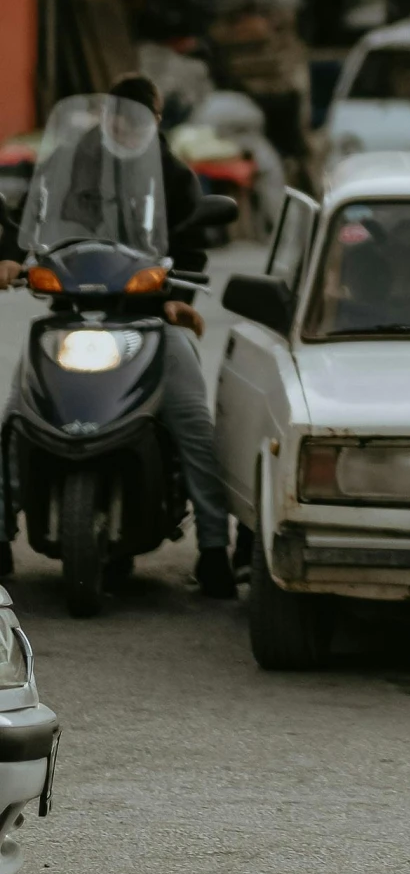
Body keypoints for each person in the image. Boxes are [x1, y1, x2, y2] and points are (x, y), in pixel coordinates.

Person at [0, 75, 237, 598]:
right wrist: (13, 255)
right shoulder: (69, 158)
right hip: (69, 311)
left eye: (140, 119)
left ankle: (216, 550)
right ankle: (0, 535)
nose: (128, 128)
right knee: (16, 414)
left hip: (147, 317)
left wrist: (180, 299)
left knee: (193, 418)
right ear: (106, 117)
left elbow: (193, 242)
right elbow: (29, 217)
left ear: (156, 120)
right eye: (120, 117)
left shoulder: (173, 175)